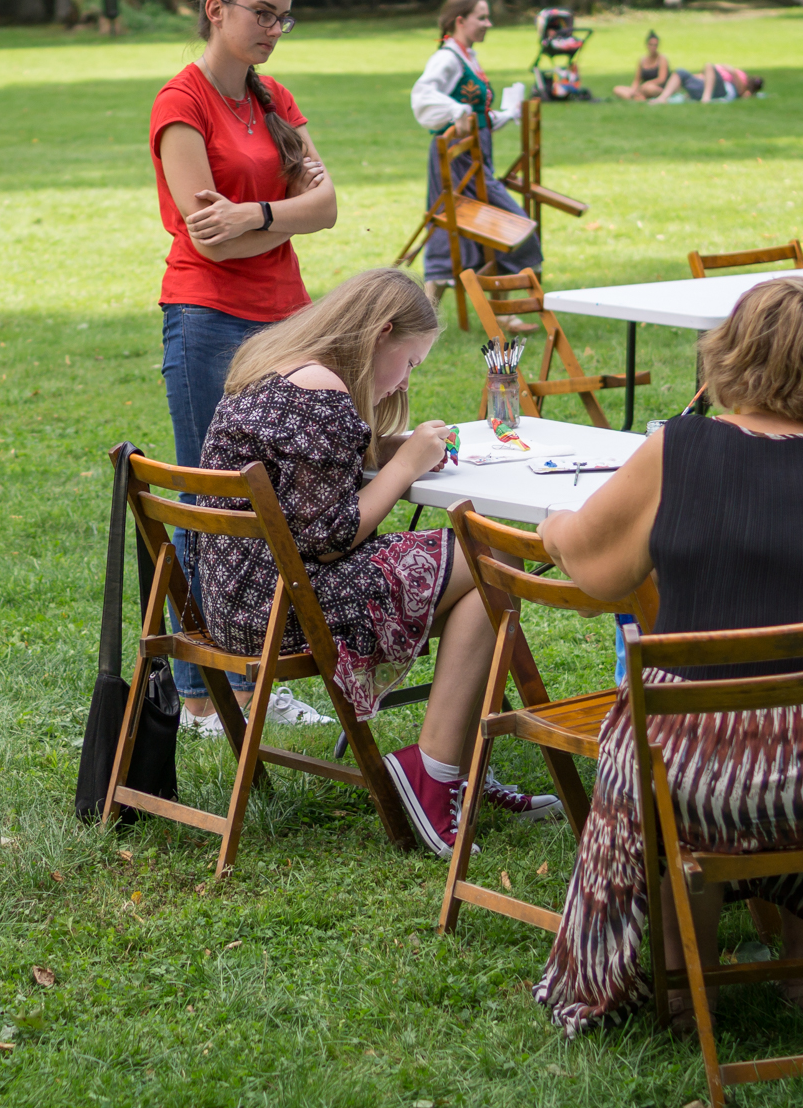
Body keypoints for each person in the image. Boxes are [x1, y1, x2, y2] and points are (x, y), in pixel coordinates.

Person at [531, 277, 803, 1033]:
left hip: (698, 779)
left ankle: (686, 985)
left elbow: (597, 571)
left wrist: (556, 525)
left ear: (730, 356)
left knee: (670, 759)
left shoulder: (677, 450)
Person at [194, 268, 561, 853]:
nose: (406, 380)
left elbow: (306, 483)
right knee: (490, 559)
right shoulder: (321, 392)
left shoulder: (281, 365)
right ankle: (435, 771)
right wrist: (406, 464)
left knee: (481, 585)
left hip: (235, 599)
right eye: (410, 362)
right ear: (381, 333)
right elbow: (330, 536)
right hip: (281, 607)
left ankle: (455, 769)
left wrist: (384, 450)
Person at [152, 0, 337, 735]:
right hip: (209, 319)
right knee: (212, 495)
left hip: (289, 319)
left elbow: (327, 208)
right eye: (263, 12)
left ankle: (258, 668)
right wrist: (284, 214)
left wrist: (257, 214)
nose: (273, 29)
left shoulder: (274, 97)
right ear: (216, 8)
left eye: (284, 17)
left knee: (280, 493)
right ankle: (201, 692)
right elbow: (210, 240)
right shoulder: (180, 102)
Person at [411, 0, 543, 328]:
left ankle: (495, 313)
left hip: (476, 160)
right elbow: (423, 95)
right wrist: (456, 112)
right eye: (481, 17)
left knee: (469, 234)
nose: (488, 23)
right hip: (457, 163)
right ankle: (426, 320)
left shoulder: (466, 56)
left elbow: (477, 115)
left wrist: (505, 115)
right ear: (460, 20)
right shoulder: (447, 58)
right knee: (503, 226)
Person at [652, 63, 763, 104]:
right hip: (706, 84)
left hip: (723, 90)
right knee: (680, 72)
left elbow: (741, 91)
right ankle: (662, 98)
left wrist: (732, 71)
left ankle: (706, 98)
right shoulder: (738, 75)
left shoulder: (741, 81)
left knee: (709, 65)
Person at [612, 31, 671, 101]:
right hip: (642, 89)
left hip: (656, 88)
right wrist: (633, 90)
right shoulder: (642, 60)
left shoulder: (662, 59)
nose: (653, 47)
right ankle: (638, 98)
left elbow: (661, 79)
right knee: (617, 89)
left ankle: (637, 99)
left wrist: (647, 84)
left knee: (650, 88)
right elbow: (637, 80)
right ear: (647, 45)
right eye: (651, 45)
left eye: (655, 45)